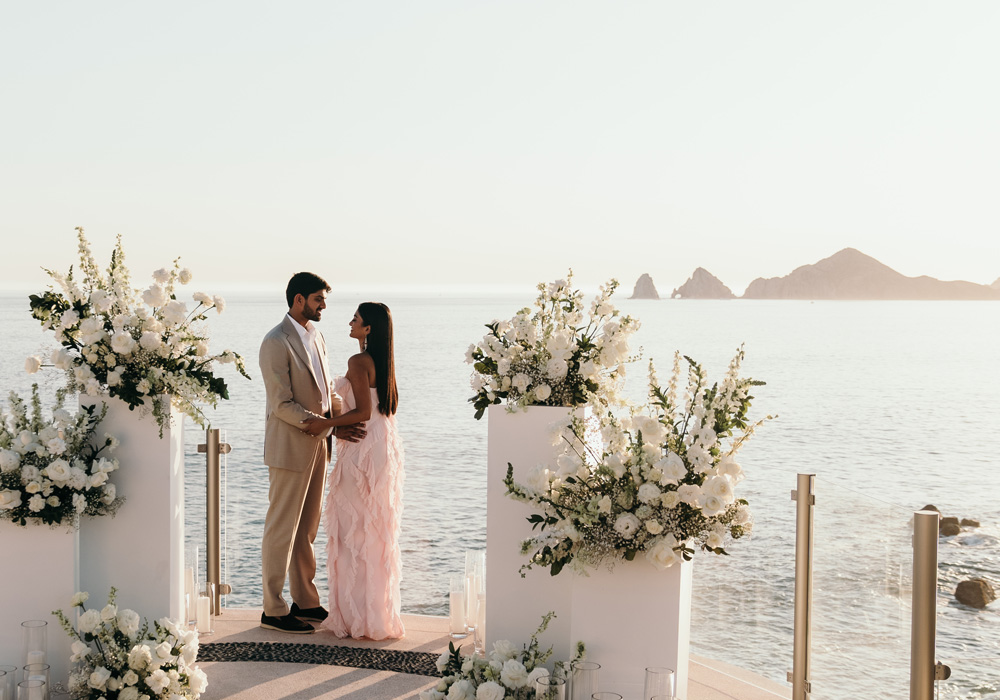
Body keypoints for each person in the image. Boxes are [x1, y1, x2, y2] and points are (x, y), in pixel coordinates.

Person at [258, 272, 365, 634]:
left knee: (306, 529)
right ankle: (273, 609)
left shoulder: (316, 337)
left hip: (319, 445)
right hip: (290, 447)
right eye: (319, 299)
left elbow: (327, 389)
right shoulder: (275, 341)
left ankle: (306, 600)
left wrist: (341, 421)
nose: (323, 306)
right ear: (299, 299)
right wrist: (328, 424)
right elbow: (281, 404)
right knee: (281, 529)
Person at [301, 302, 405, 640]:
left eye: (356, 319)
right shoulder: (383, 362)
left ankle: (354, 615)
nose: (350, 322)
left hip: (361, 450)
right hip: (381, 445)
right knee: (373, 531)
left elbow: (360, 411)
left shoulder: (359, 362)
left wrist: (324, 423)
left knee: (351, 531)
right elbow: (376, 410)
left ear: (368, 328)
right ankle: (374, 615)